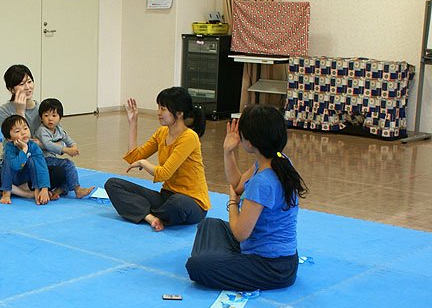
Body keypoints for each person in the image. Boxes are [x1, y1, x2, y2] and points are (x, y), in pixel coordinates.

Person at [185, 105, 308, 291]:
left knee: (196, 266)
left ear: (250, 143)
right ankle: (222, 258)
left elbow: (240, 233)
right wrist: (228, 151)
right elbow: (237, 184)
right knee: (209, 225)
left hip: (273, 267)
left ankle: (220, 259)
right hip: (277, 256)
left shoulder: (262, 182)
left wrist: (232, 202)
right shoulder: (278, 159)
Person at [105, 87, 210, 232]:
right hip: (167, 197)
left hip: (192, 203)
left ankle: (141, 210)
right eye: (158, 107)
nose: (158, 113)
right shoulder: (162, 133)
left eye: (163, 109)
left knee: (177, 203)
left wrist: (144, 163)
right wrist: (133, 123)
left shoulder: (189, 137)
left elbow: (163, 174)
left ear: (179, 113)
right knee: (113, 184)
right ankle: (150, 217)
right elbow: (134, 157)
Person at [0, 64, 66, 197]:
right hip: (12, 166)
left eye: (29, 81)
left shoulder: (43, 110)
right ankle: (27, 192)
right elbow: (19, 141)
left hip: (37, 166)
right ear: (11, 89)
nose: (27, 87)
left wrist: (42, 144)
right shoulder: (4, 110)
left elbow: (58, 141)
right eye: (22, 84)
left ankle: (8, 189)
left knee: (61, 173)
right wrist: (20, 111)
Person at [35, 98, 96, 199]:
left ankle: (56, 192)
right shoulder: (42, 130)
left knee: (69, 175)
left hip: (51, 160)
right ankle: (78, 190)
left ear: (60, 118)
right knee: (68, 164)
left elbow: (68, 139)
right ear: (41, 118)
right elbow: (48, 144)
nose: (50, 119)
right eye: (46, 116)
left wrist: (74, 147)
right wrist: (66, 150)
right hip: (43, 160)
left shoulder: (59, 129)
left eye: (54, 116)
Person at [0, 115, 51, 205]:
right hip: (13, 177)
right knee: (7, 162)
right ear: (9, 138)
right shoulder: (9, 148)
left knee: (34, 161)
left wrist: (44, 189)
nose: (23, 133)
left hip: (27, 178)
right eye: (17, 131)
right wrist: (24, 149)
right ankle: (6, 192)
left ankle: (36, 190)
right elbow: (15, 166)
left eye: (25, 128)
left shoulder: (34, 146)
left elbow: (42, 166)